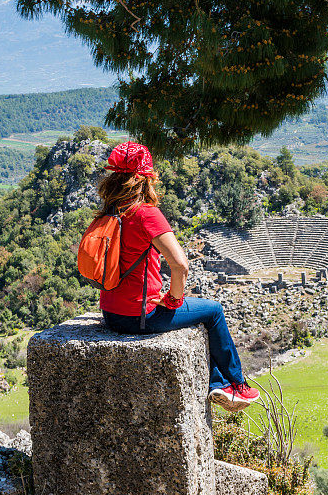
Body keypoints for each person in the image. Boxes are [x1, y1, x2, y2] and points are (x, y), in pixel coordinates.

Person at [98, 141, 260, 412]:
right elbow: (180, 265)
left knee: (198, 314)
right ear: (144, 179)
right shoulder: (146, 214)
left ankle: (218, 383)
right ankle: (236, 386)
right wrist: (173, 299)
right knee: (212, 311)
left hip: (112, 314)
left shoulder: (109, 213)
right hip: (140, 318)